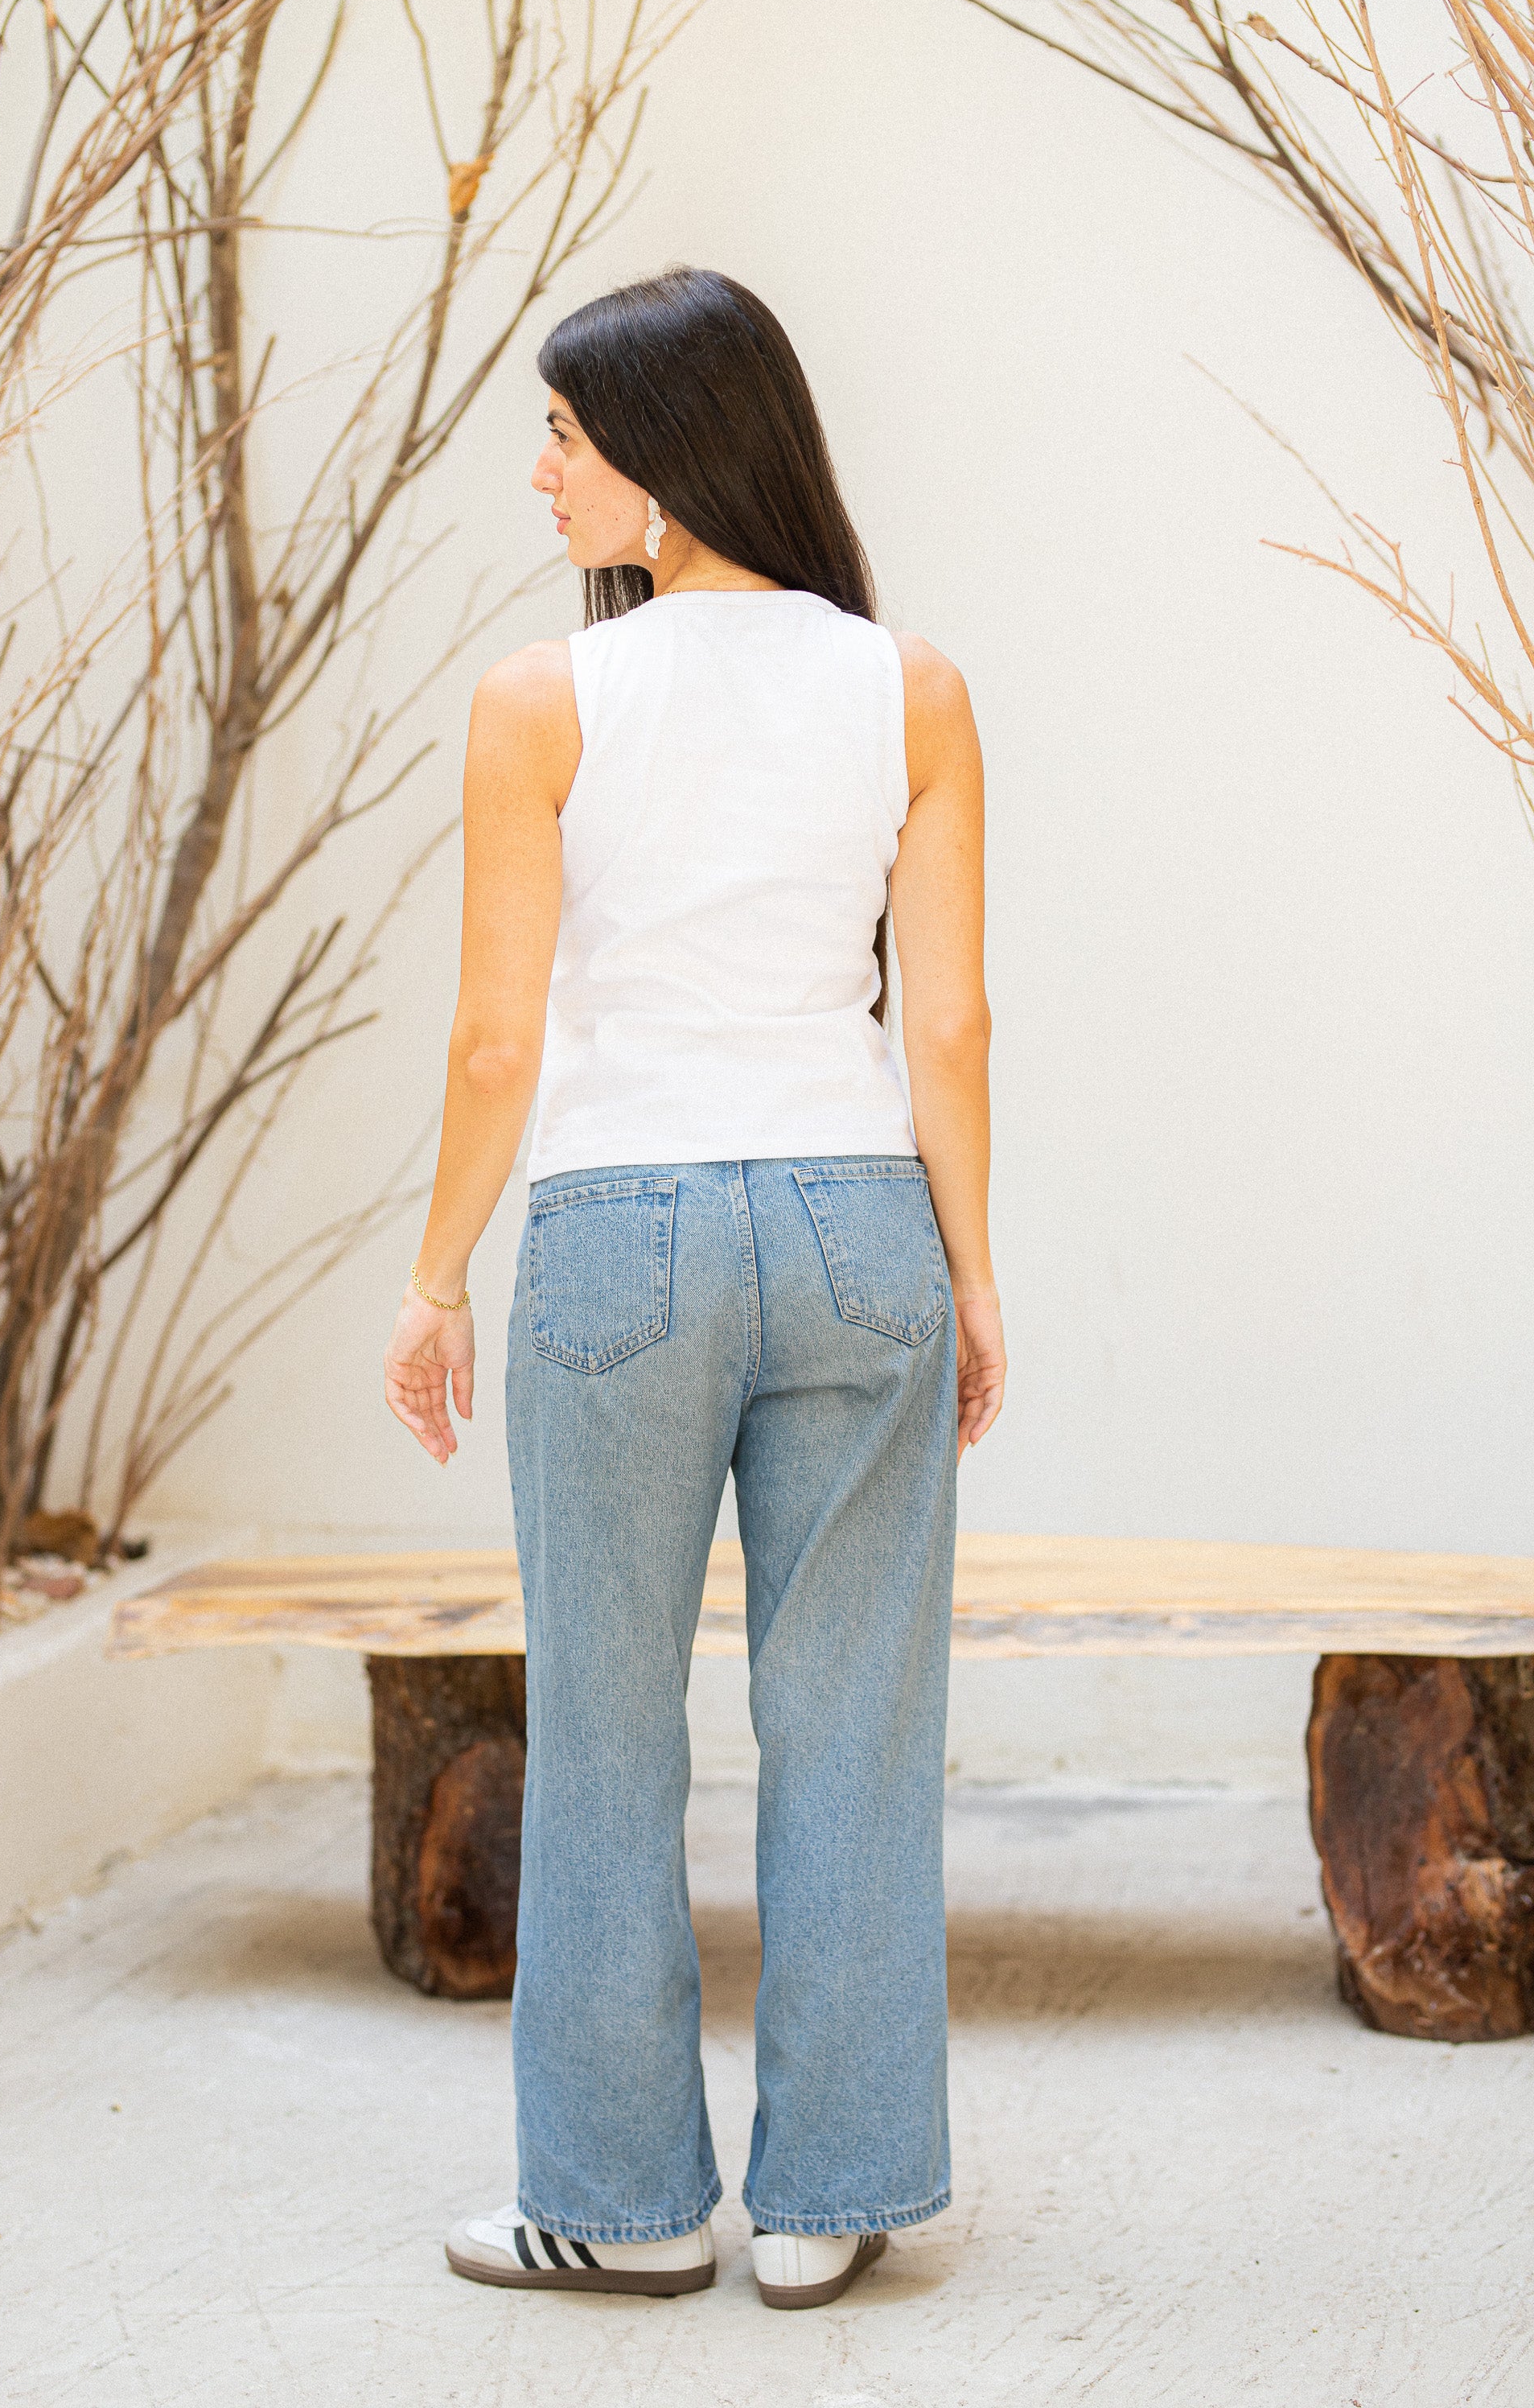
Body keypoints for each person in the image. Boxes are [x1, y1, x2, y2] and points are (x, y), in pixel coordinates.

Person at [383, 267, 1004, 2311]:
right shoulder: (908, 683)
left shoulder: (539, 704)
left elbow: (494, 1046)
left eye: (565, 433)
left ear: (660, 453)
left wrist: (435, 1273)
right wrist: (972, 1277)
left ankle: (624, 2206)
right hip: (855, 1226)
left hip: (617, 1238)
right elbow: (951, 1027)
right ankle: (829, 2198)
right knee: (853, 1725)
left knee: (609, 1729)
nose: (543, 473)